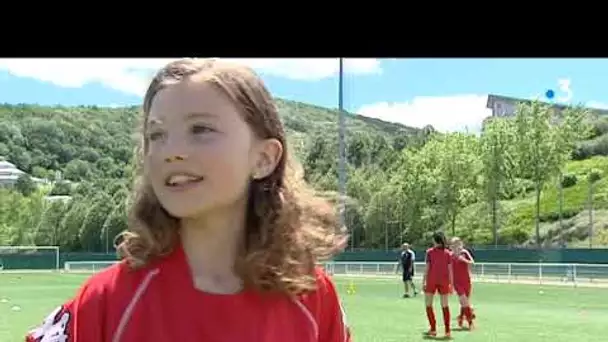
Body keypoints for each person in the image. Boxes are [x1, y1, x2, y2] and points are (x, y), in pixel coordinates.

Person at [25, 58, 351, 342]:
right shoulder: (107, 302)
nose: (171, 151)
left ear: (264, 158)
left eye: (200, 129)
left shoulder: (314, 299)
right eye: (157, 135)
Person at [422, 231, 453, 339]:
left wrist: (424, 281)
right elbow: (450, 271)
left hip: (431, 280)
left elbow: (427, 268)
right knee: (445, 305)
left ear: (435, 240)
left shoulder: (429, 252)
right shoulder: (448, 253)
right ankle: (447, 330)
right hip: (444, 281)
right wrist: (451, 284)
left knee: (428, 304)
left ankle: (433, 328)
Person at [451, 237, 476, 330]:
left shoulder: (465, 253)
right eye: (454, 244)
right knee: (464, 301)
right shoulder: (450, 255)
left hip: (466, 281)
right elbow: (449, 270)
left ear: (461, 244)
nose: (456, 246)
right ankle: (470, 323)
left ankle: (461, 318)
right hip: (457, 282)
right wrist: (450, 283)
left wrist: (463, 259)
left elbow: (472, 263)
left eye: (457, 243)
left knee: (464, 303)